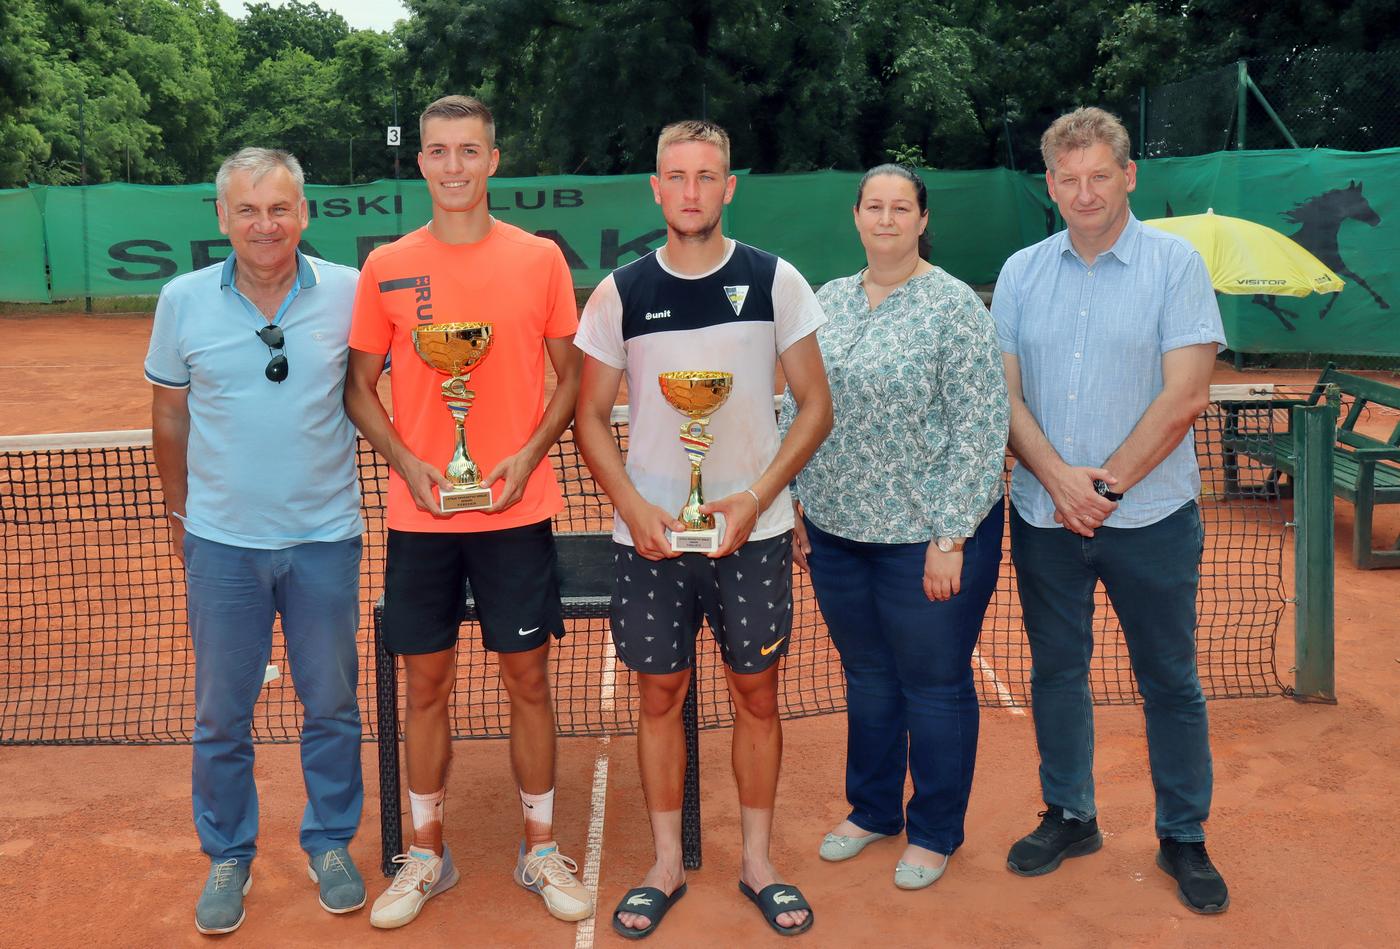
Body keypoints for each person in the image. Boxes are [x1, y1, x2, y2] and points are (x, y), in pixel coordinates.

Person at [574, 119, 833, 940]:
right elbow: (587, 417)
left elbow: (816, 407)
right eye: (675, 176)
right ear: (656, 188)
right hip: (649, 537)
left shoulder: (775, 281)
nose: (691, 191)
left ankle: (757, 860)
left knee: (757, 695)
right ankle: (663, 863)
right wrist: (634, 508)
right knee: (660, 695)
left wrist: (757, 498)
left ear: (730, 186)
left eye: (706, 175)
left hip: (751, 535)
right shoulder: (619, 292)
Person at [345, 95, 591, 929]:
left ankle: (541, 846)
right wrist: (410, 464)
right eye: (439, 151)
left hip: (518, 513)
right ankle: (425, 854)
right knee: (426, 683)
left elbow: (573, 379)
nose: (454, 166)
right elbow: (358, 387)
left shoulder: (539, 262)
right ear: (421, 161)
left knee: (528, 679)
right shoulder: (386, 266)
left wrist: (526, 456)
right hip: (422, 518)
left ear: (493, 159)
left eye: (469, 151)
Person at [992, 106, 1230, 914]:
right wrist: (1058, 479)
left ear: (1129, 176)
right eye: (1068, 178)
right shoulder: (1022, 271)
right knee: (1057, 673)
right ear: (1049, 185)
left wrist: (1105, 487)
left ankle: (1183, 833)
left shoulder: (1176, 264)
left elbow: (1187, 393)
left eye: (1100, 175)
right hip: (1041, 515)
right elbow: (1005, 394)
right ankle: (1070, 813)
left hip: (1153, 518)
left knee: (1170, 678)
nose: (1084, 192)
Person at [147, 147, 366, 935]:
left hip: (325, 539)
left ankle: (331, 841)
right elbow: (169, 414)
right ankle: (229, 853)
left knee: (333, 704)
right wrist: (180, 516)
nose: (265, 225)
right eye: (248, 210)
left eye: (279, 208)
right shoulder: (181, 301)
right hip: (223, 546)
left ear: (304, 212)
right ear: (222, 218)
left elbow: (377, 394)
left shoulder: (348, 291)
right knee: (219, 714)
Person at [782, 164, 1008, 890]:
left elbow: (980, 426)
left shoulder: (955, 308)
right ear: (856, 217)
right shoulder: (829, 301)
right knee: (869, 677)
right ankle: (874, 809)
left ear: (921, 219)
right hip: (839, 532)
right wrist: (791, 496)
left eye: (900, 207)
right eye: (873, 206)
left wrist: (950, 537)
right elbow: (799, 402)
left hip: (926, 539)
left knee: (935, 685)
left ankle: (936, 829)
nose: (886, 219)